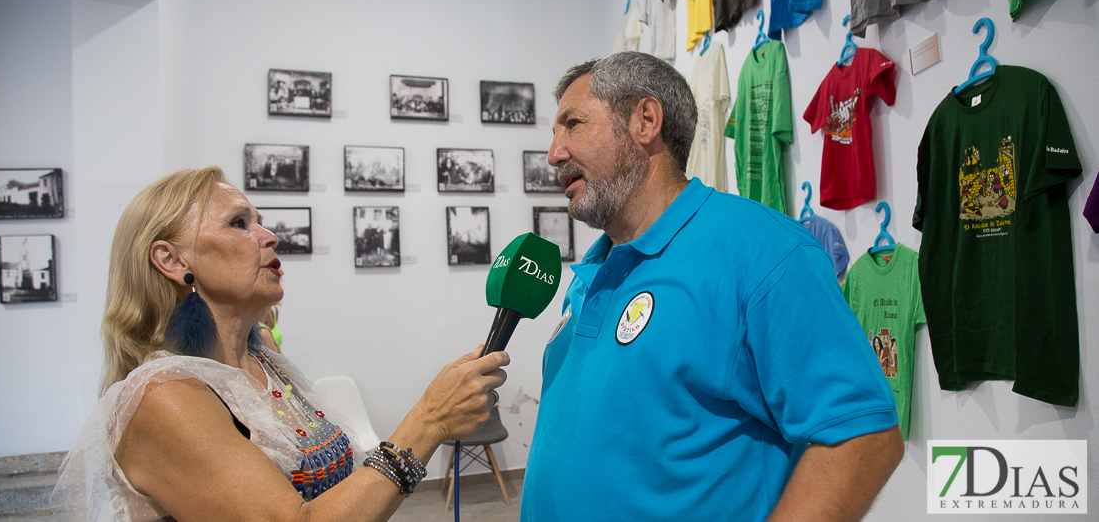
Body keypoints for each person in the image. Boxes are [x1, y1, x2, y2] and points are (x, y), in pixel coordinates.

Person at [521, 52, 903, 521]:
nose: (553, 153)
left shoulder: (762, 251)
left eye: (572, 124)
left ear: (645, 120)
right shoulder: (592, 271)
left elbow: (862, 436)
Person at [53, 167, 509, 521]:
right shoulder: (162, 396)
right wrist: (428, 420)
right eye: (238, 223)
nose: (269, 236)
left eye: (261, 222)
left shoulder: (266, 365)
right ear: (171, 259)